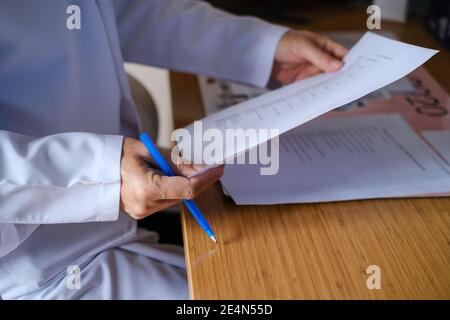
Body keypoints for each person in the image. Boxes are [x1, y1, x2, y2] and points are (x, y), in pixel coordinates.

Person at [0, 0, 348, 299]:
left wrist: (261, 48)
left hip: (104, 217)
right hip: (36, 262)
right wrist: (103, 173)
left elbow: (108, 11)